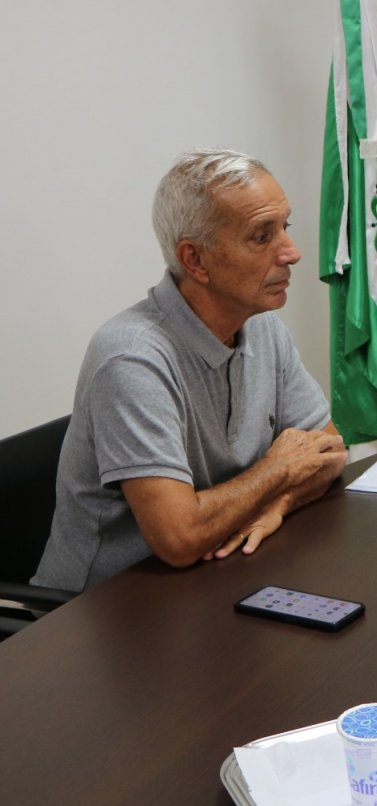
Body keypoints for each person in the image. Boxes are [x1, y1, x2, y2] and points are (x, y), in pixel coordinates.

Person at [33, 149, 346, 593]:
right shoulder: (132, 357)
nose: (291, 253)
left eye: (284, 228)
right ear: (195, 260)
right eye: (262, 236)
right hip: (101, 611)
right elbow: (179, 539)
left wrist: (279, 503)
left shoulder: (263, 327)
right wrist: (278, 470)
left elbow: (330, 452)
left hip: (214, 576)